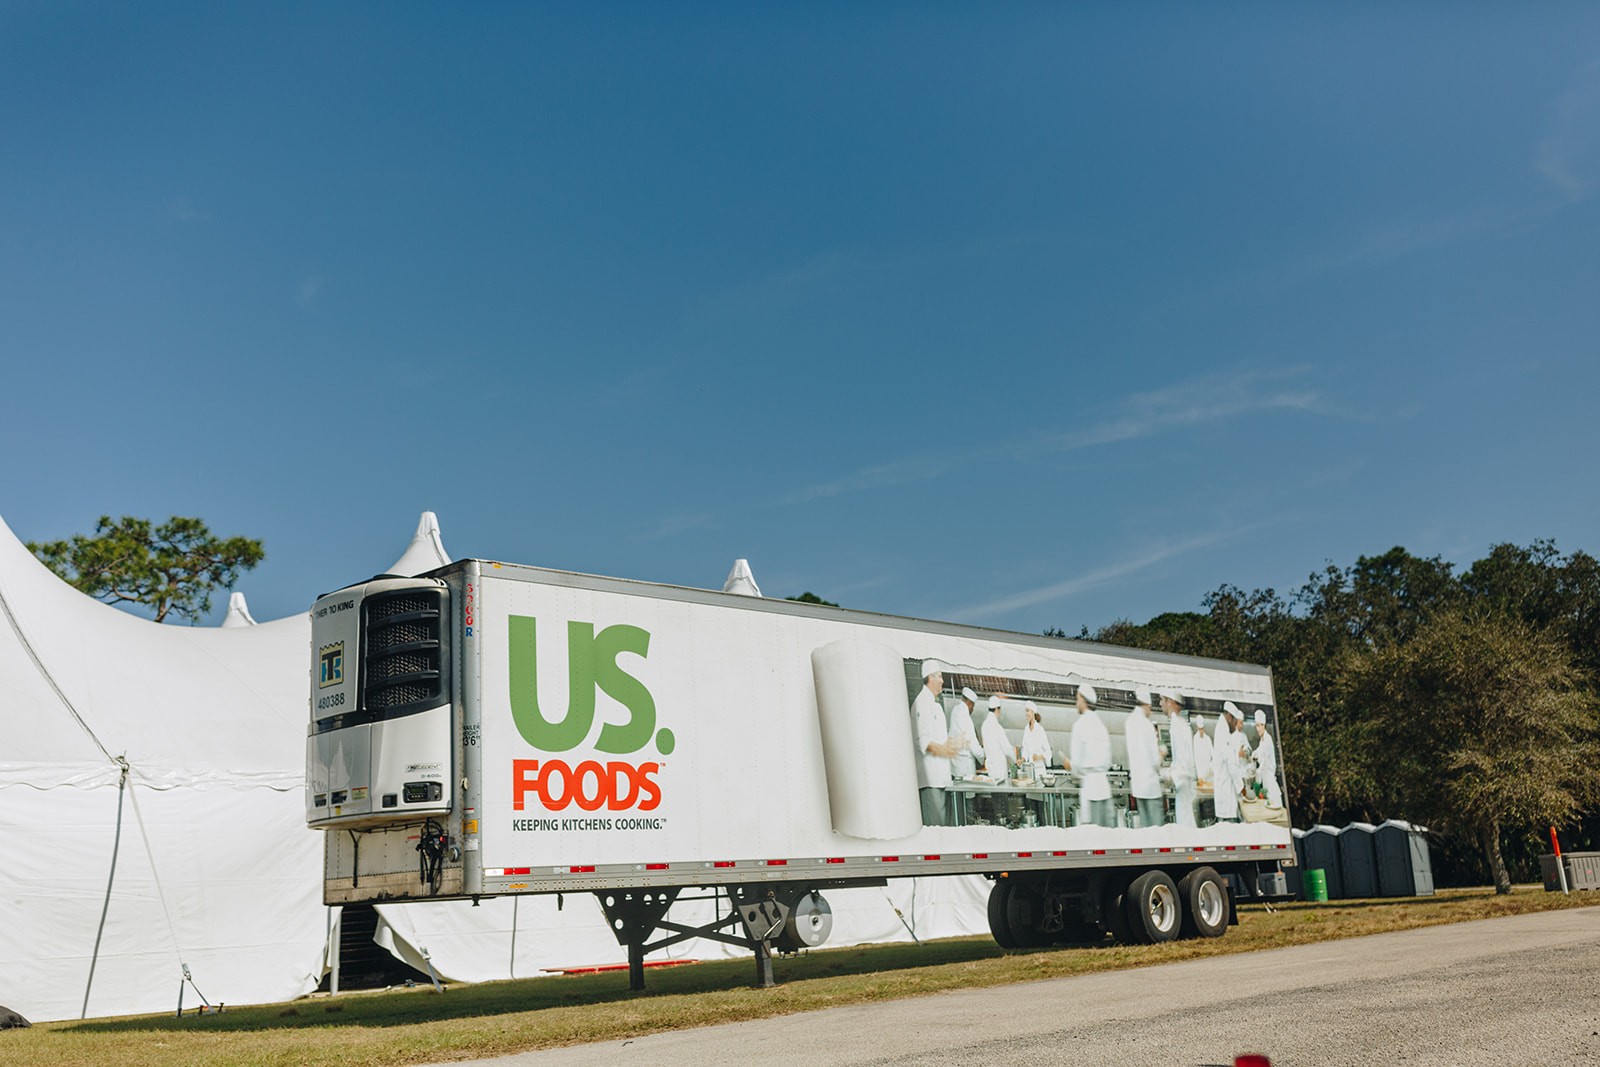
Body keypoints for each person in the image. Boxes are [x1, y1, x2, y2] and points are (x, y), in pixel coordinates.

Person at [911, 660, 962, 825]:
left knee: (943, 828)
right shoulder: (921, 703)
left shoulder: (935, 705)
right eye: (940, 676)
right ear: (930, 678)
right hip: (931, 780)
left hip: (941, 779)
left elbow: (940, 739)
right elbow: (922, 741)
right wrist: (945, 750)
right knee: (936, 829)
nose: (942, 681)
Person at [1065, 684, 1114, 827]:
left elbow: (1077, 766)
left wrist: (1070, 765)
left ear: (1083, 700)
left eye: (1077, 699)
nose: (1076, 703)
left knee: (1095, 840)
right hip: (1105, 790)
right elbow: (1108, 760)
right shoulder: (1101, 725)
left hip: (1091, 791)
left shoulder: (1079, 725)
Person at [1125, 689, 1165, 828]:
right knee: (1157, 830)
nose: (1151, 711)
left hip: (1138, 787)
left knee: (1145, 830)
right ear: (1147, 705)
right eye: (1151, 708)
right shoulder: (1146, 725)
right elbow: (1154, 760)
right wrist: (1161, 754)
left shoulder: (1130, 722)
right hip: (1151, 788)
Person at [1162, 690, 1198, 828]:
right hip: (1184, 784)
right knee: (1186, 821)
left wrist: (1169, 775)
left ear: (1169, 702)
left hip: (1183, 784)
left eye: (1162, 700)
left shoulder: (1178, 725)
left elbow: (1183, 761)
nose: (1160, 704)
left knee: (1185, 825)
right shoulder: (1178, 724)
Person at [1211, 702, 1247, 823]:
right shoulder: (1222, 731)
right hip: (1226, 797)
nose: (1236, 725)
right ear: (1230, 717)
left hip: (1227, 793)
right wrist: (1242, 788)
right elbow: (1230, 763)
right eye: (1235, 721)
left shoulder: (1223, 729)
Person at [949, 687, 984, 780]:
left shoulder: (955, 710)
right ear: (969, 703)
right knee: (968, 793)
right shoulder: (964, 716)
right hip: (965, 766)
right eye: (973, 706)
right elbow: (973, 744)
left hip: (955, 764)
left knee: (959, 793)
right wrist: (983, 756)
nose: (973, 709)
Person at [980, 693, 1014, 781]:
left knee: (994, 793)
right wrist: (1015, 761)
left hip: (991, 767)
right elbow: (1007, 749)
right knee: (1001, 793)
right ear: (997, 709)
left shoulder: (984, 725)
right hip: (1000, 769)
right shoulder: (996, 726)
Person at [1253, 710, 1282, 809]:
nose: (1257, 729)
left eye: (1258, 726)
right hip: (1265, 781)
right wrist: (1253, 754)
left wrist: (1257, 779)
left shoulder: (1268, 740)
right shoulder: (1262, 740)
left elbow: (1264, 763)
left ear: (1263, 725)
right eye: (1256, 726)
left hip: (1269, 780)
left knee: (1274, 806)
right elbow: (1259, 751)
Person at [1019, 700, 1053, 767]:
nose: (1026, 713)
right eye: (1025, 711)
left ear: (1033, 712)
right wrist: (1022, 760)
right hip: (1030, 769)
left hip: (1039, 769)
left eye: (1028, 711)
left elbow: (1049, 752)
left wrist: (1038, 757)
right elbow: (1025, 750)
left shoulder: (1040, 730)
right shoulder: (1026, 729)